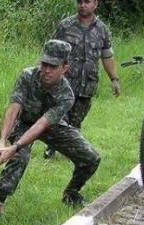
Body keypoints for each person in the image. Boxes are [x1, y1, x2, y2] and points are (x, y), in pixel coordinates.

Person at [0, 39, 101, 216]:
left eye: (53, 66)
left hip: (51, 126)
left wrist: (15, 146)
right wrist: (3, 142)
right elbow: (13, 108)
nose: (47, 70)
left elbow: (43, 123)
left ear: (65, 67)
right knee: (20, 157)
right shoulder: (27, 76)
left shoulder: (66, 95)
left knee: (91, 157)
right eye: (44, 64)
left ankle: (71, 193)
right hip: (24, 124)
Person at [44, 0, 120, 159]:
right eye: (79, 2)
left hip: (87, 85)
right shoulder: (65, 25)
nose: (82, 5)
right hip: (65, 83)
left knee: (76, 122)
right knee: (59, 116)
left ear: (95, 4)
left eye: (87, 2)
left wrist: (114, 79)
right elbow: (50, 52)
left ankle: (72, 150)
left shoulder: (102, 29)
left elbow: (107, 56)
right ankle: (53, 147)